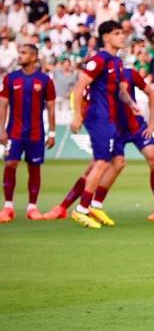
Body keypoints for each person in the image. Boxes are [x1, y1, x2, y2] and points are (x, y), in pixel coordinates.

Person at [67, 20, 128, 229]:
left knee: (118, 161)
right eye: (118, 33)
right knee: (101, 162)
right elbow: (79, 87)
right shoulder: (99, 60)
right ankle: (81, 209)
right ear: (107, 37)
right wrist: (77, 116)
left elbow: (121, 91)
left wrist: (132, 105)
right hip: (98, 117)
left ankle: (94, 204)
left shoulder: (117, 62)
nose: (122, 36)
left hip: (112, 118)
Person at [99, 61, 154, 220]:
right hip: (115, 129)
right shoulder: (101, 78)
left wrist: (151, 122)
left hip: (136, 127)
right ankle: (96, 205)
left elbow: (151, 93)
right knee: (117, 164)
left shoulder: (130, 74)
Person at [0, 43, 56, 222]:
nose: (20, 56)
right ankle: (8, 207)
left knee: (35, 168)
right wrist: (1, 129)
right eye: (20, 53)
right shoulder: (10, 79)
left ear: (33, 57)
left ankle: (32, 207)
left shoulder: (45, 80)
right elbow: (3, 105)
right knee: (10, 165)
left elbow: (51, 107)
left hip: (36, 133)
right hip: (14, 133)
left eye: (23, 53)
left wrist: (53, 133)